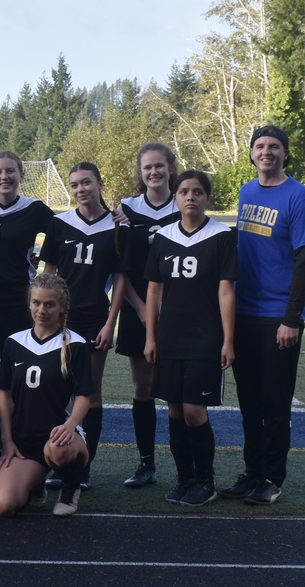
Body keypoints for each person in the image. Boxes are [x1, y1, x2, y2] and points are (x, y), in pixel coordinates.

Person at [222, 125, 305, 506]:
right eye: (260, 146)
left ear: (285, 154)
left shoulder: (299, 196)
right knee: (250, 403)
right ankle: (252, 472)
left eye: (274, 147)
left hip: (278, 316)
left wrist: (291, 318)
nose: (266, 152)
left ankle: (272, 478)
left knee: (275, 405)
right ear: (251, 153)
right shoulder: (247, 191)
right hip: (244, 312)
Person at [144, 169, 238, 506]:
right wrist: (150, 337)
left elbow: (226, 291)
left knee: (194, 412)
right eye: (184, 191)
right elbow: (154, 292)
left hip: (205, 338)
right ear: (176, 196)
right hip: (169, 336)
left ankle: (205, 480)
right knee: (173, 411)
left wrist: (228, 340)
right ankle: (184, 478)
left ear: (207, 198)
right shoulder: (164, 236)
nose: (190, 198)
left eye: (198, 192)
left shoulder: (222, 236)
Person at [39, 162, 125, 489]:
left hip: (93, 318)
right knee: (57, 388)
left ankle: (84, 463)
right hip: (61, 318)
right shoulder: (60, 223)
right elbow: (49, 271)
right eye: (74, 185)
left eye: (86, 182)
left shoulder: (117, 226)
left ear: (100, 183)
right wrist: (44, 314)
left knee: (90, 391)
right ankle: (57, 457)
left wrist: (110, 323)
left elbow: (120, 279)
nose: (80, 190)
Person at [0, 274, 92, 518]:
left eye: (49, 304)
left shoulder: (74, 345)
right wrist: (7, 440)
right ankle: (36, 484)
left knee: (58, 448)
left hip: (61, 437)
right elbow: (4, 394)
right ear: (29, 303)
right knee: (4, 505)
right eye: (36, 303)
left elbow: (84, 396)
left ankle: (70, 488)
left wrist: (70, 425)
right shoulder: (14, 342)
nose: (42, 310)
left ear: (62, 307)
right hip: (25, 441)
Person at [115, 143, 180, 488]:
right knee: (143, 387)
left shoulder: (183, 204)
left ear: (170, 168)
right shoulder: (127, 210)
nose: (153, 172)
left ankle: (185, 466)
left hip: (176, 312)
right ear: (140, 173)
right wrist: (141, 309)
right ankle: (146, 464)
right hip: (136, 308)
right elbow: (120, 269)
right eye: (147, 168)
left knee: (173, 391)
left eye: (159, 166)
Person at [0, 150, 53, 353]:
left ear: (21, 175)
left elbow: (63, 230)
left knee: (16, 365)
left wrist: (44, 259)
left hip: (19, 299)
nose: (4, 177)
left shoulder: (34, 209)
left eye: (10, 171)